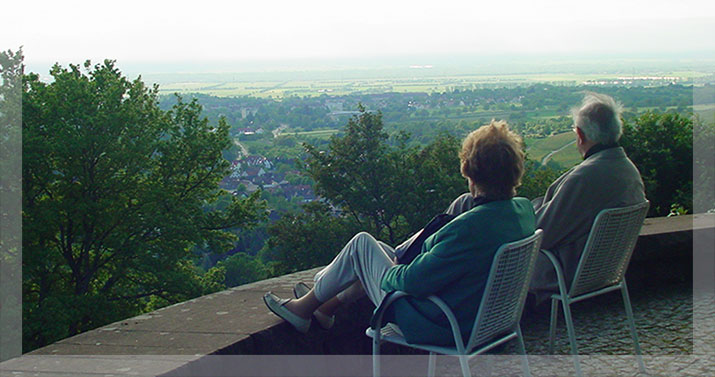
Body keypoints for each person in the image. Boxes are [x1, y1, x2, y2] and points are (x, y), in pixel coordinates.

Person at [263, 120, 536, 346]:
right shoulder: (522, 213)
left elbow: (411, 281)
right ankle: (324, 305)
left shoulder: (469, 229)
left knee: (363, 246)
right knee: (374, 256)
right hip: (488, 320)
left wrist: (392, 268)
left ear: (469, 172)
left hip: (440, 323)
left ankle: (305, 307)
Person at [445, 93, 646, 299]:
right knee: (469, 203)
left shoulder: (586, 177)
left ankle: (429, 267)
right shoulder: (627, 170)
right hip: (602, 269)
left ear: (580, 134)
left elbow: (540, 233)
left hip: (560, 270)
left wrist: (516, 212)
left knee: (465, 204)